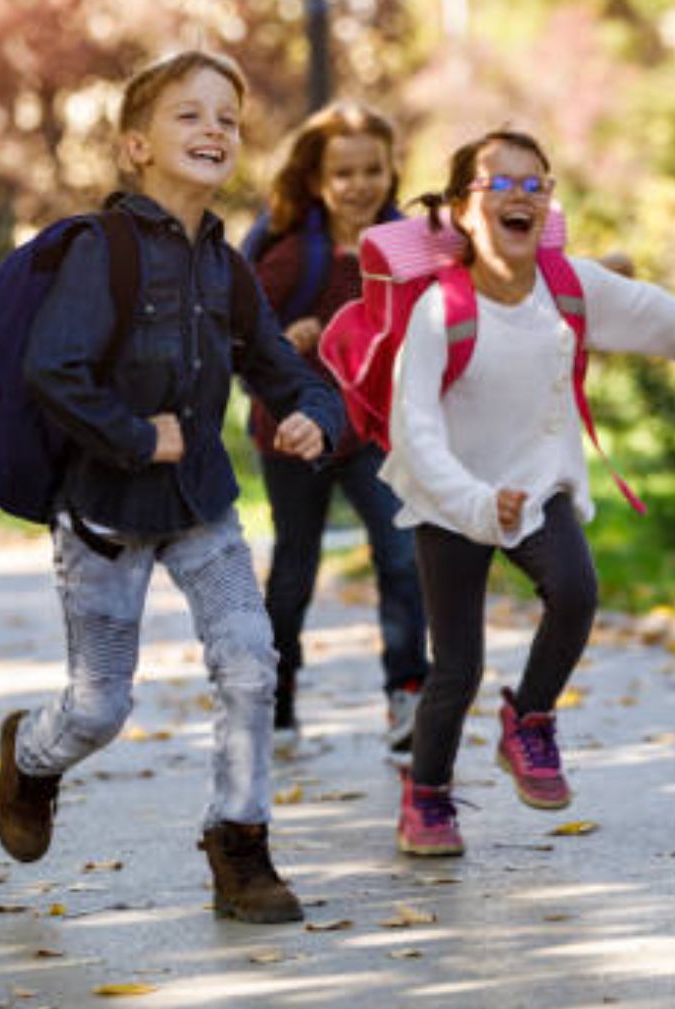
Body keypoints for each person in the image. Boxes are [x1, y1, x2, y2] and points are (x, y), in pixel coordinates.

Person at [0, 50, 345, 925]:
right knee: (100, 708)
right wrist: (137, 435)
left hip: (202, 509)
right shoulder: (100, 251)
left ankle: (241, 845)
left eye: (227, 116)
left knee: (252, 663)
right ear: (135, 146)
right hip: (103, 516)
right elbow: (52, 368)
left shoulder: (226, 266)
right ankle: (30, 756)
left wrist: (316, 416)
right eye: (190, 115)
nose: (214, 129)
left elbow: (281, 366)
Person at [380, 130, 675, 856]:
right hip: (452, 500)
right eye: (500, 184)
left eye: (536, 183)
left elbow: (657, 315)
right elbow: (416, 431)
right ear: (464, 210)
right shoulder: (440, 312)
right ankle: (427, 796)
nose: (521, 195)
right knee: (455, 668)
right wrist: (470, 500)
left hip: (538, 485)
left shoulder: (569, 287)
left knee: (578, 588)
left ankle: (529, 718)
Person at [243, 102, 429, 754]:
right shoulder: (298, 252)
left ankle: (407, 692)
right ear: (318, 178)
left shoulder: (409, 244)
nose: (359, 184)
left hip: (372, 429)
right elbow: (241, 328)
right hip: (294, 430)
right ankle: (279, 695)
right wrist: (284, 340)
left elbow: (462, 294)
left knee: (402, 553)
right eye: (343, 171)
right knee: (295, 567)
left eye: (372, 169)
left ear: (391, 170)